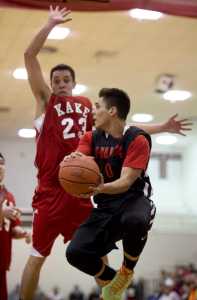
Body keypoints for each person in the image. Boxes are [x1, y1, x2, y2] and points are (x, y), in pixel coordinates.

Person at [20, 6, 192, 300]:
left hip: (82, 190)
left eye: (66, 80)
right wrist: (49, 24)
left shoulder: (89, 108)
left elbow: (122, 129)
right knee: (37, 256)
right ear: (50, 85)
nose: (61, 84)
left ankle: (113, 294)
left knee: (97, 253)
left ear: (74, 84)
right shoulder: (45, 102)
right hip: (49, 193)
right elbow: (29, 57)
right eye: (56, 80)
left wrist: (161, 127)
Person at [65, 87, 156, 300]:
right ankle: (113, 279)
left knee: (135, 220)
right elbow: (81, 158)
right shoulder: (90, 137)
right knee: (75, 253)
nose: (93, 112)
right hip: (105, 205)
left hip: (133, 199)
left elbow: (125, 182)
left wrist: (101, 187)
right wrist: (71, 162)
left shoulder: (137, 139)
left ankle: (126, 271)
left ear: (112, 111)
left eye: (97, 107)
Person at [0, 153, 31, 300]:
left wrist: (23, 233)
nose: (0, 167)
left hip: (2, 260)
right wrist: (1, 212)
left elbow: (12, 229)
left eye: (2, 163)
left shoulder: (9, 196)